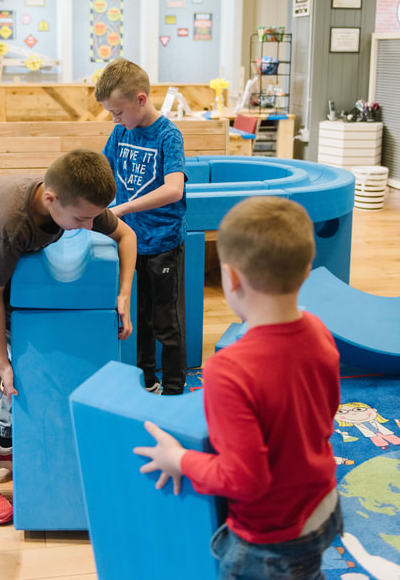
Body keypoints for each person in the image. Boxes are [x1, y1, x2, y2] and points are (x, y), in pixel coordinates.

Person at [134, 196, 343, 580]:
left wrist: (178, 460)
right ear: (307, 270)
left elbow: (245, 479)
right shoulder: (320, 331)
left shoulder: (228, 369)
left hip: (270, 539)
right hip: (323, 504)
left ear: (230, 279)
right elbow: (324, 414)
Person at [0, 149, 136, 525]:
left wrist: (123, 295)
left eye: (92, 217)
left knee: (26, 364)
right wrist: (2, 363)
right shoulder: (9, 222)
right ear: (52, 199)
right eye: (81, 219)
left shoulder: (77, 201)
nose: (89, 226)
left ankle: (3, 442)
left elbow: (127, 234)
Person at [95, 59, 187, 395]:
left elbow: (174, 188)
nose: (115, 120)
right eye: (111, 114)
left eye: (118, 112)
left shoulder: (167, 135)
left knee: (166, 323)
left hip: (162, 243)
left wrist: (123, 207)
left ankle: (176, 390)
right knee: (139, 319)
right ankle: (147, 381)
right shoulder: (120, 131)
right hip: (129, 242)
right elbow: (102, 170)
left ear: (141, 99)